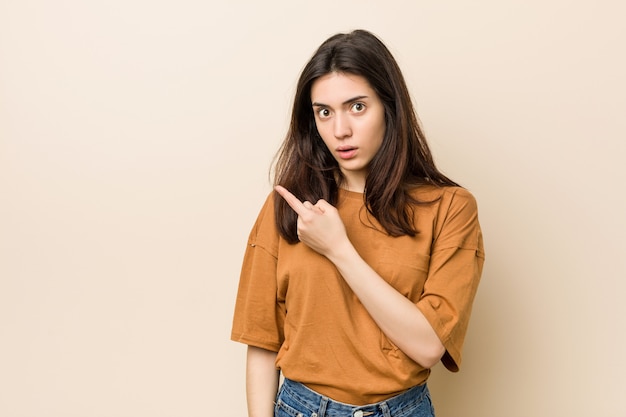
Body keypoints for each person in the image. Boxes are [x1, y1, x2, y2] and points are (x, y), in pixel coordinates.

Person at [231, 29, 485, 417]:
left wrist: (338, 248)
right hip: (301, 408)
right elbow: (262, 342)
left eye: (358, 107)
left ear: (389, 107)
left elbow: (429, 345)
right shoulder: (290, 207)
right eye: (324, 112)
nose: (340, 130)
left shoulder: (450, 208)